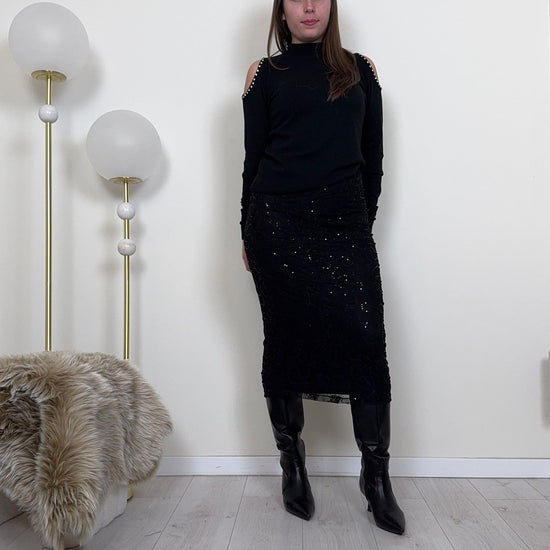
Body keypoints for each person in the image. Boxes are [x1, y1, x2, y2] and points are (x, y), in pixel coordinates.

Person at [240, 0, 405, 536]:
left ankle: (376, 477)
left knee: (366, 341)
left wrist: (359, 221)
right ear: (281, 10)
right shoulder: (264, 73)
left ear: (332, 6)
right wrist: (246, 231)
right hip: (276, 224)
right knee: (284, 341)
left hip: (343, 222)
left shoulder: (360, 70)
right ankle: (292, 464)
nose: (309, 6)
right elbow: (252, 160)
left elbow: (373, 159)